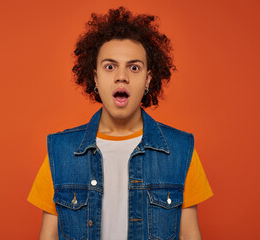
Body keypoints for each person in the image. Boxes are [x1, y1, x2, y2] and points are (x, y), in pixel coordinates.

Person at [27, 6, 213, 240]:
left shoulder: (180, 150)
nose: (121, 76)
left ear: (147, 80)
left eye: (134, 67)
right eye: (110, 66)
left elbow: (189, 236)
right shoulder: (61, 151)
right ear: (95, 77)